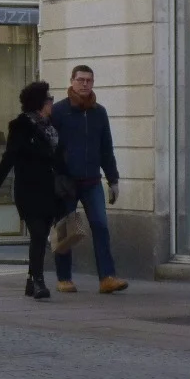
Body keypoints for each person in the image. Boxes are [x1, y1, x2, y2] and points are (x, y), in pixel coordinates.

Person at [50, 65, 128, 295]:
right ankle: (64, 278)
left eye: (89, 80)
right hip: (67, 182)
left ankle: (107, 277)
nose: (85, 84)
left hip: (92, 181)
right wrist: (55, 175)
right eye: (81, 80)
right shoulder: (59, 112)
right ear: (71, 81)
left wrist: (113, 180)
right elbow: (50, 147)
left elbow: (106, 148)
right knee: (66, 230)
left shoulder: (99, 112)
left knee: (101, 227)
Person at [0, 81, 60, 301]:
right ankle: (38, 281)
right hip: (28, 190)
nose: (52, 104)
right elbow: (9, 158)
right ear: (40, 104)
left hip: (49, 190)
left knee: (41, 235)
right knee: (37, 233)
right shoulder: (20, 127)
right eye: (49, 100)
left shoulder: (52, 127)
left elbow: (60, 158)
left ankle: (31, 279)